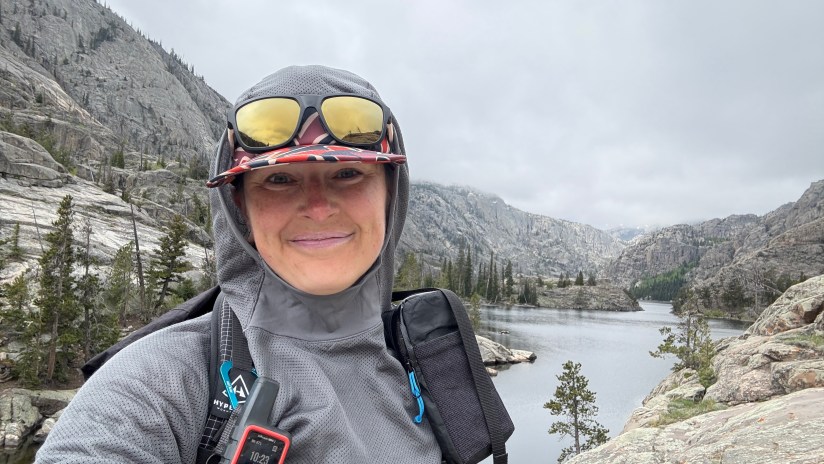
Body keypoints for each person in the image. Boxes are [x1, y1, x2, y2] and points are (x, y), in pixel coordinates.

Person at [36, 65, 442, 463]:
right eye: (280, 180)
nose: (318, 208)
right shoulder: (162, 382)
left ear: (390, 195)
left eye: (349, 173)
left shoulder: (429, 361)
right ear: (240, 208)